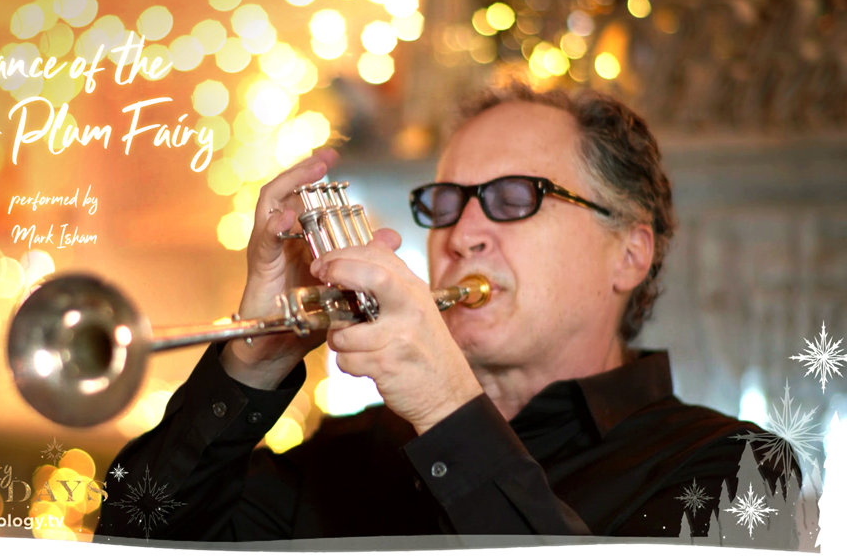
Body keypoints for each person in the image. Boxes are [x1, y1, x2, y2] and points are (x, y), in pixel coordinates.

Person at [95, 82, 780, 542]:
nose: (461, 235)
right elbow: (134, 534)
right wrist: (252, 364)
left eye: (515, 197)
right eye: (446, 203)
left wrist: (450, 411)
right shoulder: (347, 455)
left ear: (629, 253)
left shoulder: (733, 466)